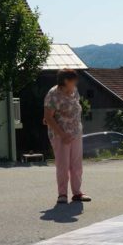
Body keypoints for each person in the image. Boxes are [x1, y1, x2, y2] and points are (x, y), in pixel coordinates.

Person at [43, 69, 91, 204]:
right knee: (63, 165)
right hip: (60, 135)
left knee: (76, 165)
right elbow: (48, 116)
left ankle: (77, 193)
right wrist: (62, 134)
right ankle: (62, 194)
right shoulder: (53, 94)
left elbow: (76, 106)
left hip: (75, 132)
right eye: (73, 80)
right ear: (65, 81)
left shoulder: (74, 90)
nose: (76, 82)